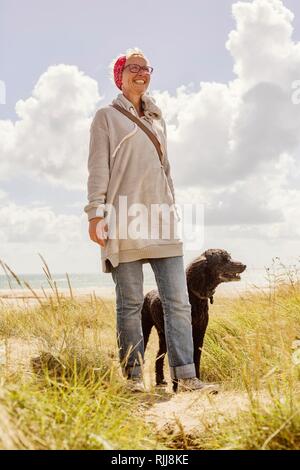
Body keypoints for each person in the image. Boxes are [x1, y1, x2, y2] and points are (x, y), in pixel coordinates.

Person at [84, 47, 218, 393]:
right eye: (133, 67)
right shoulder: (106, 116)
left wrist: (172, 207)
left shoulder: (158, 117)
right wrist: (95, 213)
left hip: (161, 220)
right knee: (129, 303)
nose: (140, 73)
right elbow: (98, 168)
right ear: (120, 74)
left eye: (146, 68)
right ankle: (132, 380)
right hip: (122, 218)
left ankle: (186, 376)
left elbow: (166, 170)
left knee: (178, 300)